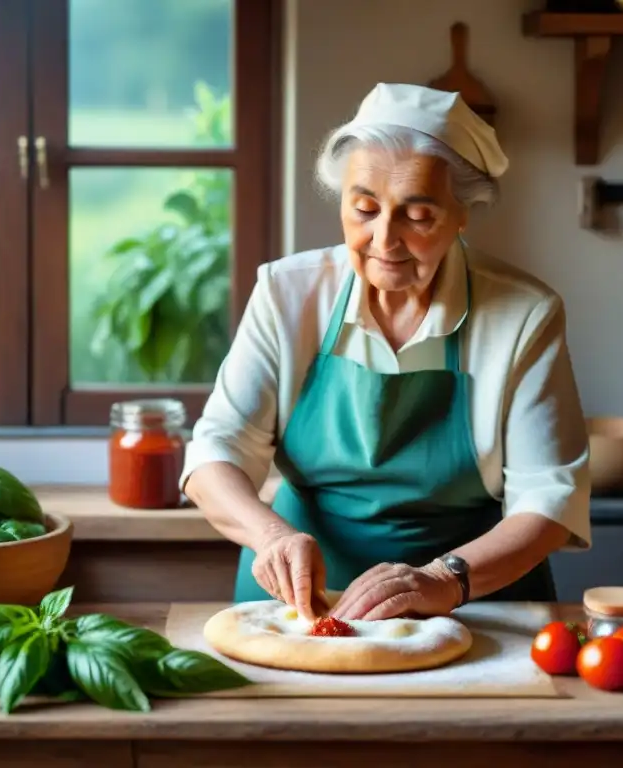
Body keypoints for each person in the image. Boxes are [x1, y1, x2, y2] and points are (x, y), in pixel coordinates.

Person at [181, 83, 591, 623]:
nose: (384, 240)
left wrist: (444, 580)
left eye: (417, 217)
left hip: (474, 599)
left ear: (462, 213)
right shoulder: (287, 293)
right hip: (300, 601)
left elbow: (549, 500)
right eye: (364, 209)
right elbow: (217, 452)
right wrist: (271, 536)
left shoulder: (524, 314)